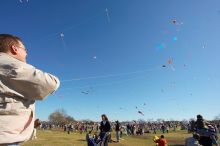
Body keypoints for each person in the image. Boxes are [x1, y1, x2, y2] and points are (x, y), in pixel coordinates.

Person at [0, 34, 60, 146]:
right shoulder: (9, 64)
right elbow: (49, 83)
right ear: (14, 48)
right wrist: (57, 81)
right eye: (25, 49)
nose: (27, 53)